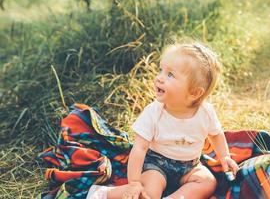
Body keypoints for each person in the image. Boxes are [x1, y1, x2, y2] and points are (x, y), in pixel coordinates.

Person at [87, 42, 239, 199]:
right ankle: (104, 193)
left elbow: (216, 134)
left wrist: (224, 156)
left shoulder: (205, 112)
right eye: (161, 70)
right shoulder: (154, 112)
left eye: (170, 74)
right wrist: (134, 182)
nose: (159, 78)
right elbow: (139, 149)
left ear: (194, 92)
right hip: (156, 165)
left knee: (208, 182)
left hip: (190, 166)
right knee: (149, 192)